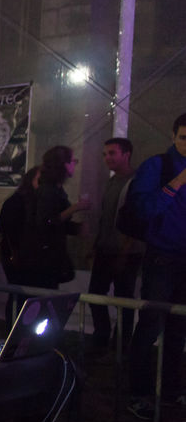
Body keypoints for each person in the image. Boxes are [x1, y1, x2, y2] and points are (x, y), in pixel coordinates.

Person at [126, 113, 186, 419]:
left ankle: (173, 389)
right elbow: (144, 208)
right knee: (150, 326)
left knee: (179, 329)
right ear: (174, 136)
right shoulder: (158, 166)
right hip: (162, 256)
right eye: (184, 138)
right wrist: (177, 181)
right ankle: (138, 393)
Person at [88, 138, 143, 352]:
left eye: (112, 153)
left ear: (126, 154)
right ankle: (103, 337)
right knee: (95, 295)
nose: (107, 158)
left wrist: (126, 249)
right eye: (105, 154)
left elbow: (136, 219)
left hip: (127, 252)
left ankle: (122, 342)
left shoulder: (136, 180)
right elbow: (106, 217)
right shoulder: (112, 182)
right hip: (106, 249)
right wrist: (97, 244)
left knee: (124, 298)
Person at [21, 146, 90, 289]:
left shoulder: (54, 188)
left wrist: (76, 228)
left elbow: (54, 222)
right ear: (64, 164)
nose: (74, 165)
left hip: (48, 255)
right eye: (73, 161)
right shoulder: (48, 190)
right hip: (44, 258)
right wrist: (75, 208)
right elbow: (45, 222)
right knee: (46, 296)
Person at [0, 166, 41, 326]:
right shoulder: (18, 201)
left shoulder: (36, 201)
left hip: (25, 256)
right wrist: (14, 252)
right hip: (16, 256)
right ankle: (14, 329)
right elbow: (6, 227)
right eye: (40, 180)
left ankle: (21, 329)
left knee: (24, 295)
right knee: (18, 294)